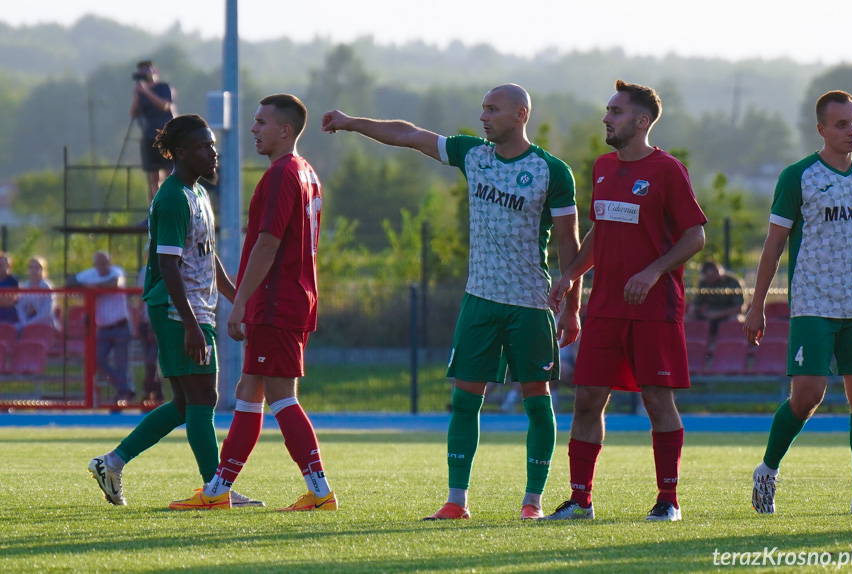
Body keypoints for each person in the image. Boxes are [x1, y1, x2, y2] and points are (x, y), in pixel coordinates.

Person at [321, 83, 580, 520]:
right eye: (482, 108)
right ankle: (456, 501)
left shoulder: (553, 171)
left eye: (493, 109)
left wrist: (572, 306)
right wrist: (352, 123)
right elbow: (408, 134)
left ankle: (532, 503)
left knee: (538, 400)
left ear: (520, 114)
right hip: (479, 299)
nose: (483, 116)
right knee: (464, 400)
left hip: (531, 303)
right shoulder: (472, 154)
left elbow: (571, 246)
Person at [540, 80, 706, 523]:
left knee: (656, 400)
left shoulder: (668, 170)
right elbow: (602, 229)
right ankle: (580, 501)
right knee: (588, 398)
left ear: (641, 121)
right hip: (606, 306)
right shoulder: (601, 166)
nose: (606, 118)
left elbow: (696, 236)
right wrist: (571, 273)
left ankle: (668, 501)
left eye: (615, 112)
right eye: (607, 110)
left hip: (654, 307)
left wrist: (653, 272)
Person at [87, 114, 240, 509]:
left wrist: (237, 297)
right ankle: (215, 489)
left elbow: (206, 259)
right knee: (204, 395)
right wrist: (190, 324)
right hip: (178, 311)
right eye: (205, 146)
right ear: (183, 153)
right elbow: (168, 265)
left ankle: (112, 463)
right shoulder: (172, 196)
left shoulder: (199, 193)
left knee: (187, 404)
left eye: (212, 145)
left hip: (193, 309)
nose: (213, 152)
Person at [201, 94, 335, 512]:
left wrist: (240, 302)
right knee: (249, 391)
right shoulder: (307, 172)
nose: (253, 129)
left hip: (277, 302)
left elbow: (268, 243)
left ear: (285, 130)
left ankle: (320, 492)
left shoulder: (281, 174)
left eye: (261, 122)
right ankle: (217, 490)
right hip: (291, 300)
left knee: (280, 396)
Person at [745, 90, 852, 515]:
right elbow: (774, 245)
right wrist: (756, 304)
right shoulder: (798, 177)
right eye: (841, 124)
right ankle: (766, 471)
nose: (851, 131)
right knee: (808, 395)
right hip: (813, 304)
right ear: (821, 130)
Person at [72, 251, 134, 403]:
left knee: (122, 364)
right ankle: (125, 388)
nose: (104, 266)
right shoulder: (90, 274)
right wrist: (93, 288)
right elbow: (70, 282)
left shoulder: (117, 271)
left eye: (106, 263)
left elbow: (114, 283)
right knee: (97, 360)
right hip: (103, 328)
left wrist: (93, 289)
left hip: (120, 326)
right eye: (100, 264)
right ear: (95, 265)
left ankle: (122, 394)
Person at [130, 60, 176, 203]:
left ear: (155, 71)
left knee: (169, 174)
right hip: (149, 136)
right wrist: (138, 95)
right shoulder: (141, 91)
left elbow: (164, 105)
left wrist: (146, 91)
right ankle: (154, 209)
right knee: (153, 177)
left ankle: (170, 204)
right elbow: (133, 114)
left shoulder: (163, 87)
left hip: (166, 135)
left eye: (147, 70)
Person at [685, 260, 745, 336]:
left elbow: (739, 308)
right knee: (687, 318)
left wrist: (717, 314)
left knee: (735, 318)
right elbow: (696, 303)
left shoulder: (732, 282)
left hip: (727, 315)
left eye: (711, 277)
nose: (710, 280)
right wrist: (696, 310)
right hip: (708, 315)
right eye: (707, 277)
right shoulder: (704, 283)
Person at [138, 261, 162, 406]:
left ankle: (148, 393)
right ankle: (156, 395)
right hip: (147, 323)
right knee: (150, 362)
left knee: (151, 361)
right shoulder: (146, 270)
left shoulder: (167, 268)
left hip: (159, 324)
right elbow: (142, 297)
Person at [16, 256, 58, 331]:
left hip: (45, 324)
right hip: (25, 323)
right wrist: (25, 322)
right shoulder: (25, 286)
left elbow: (46, 311)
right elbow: (20, 307)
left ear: (43, 270)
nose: (34, 270)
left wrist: (30, 323)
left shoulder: (47, 286)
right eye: (31, 267)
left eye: (37, 267)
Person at [0, 252, 19, 324]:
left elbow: (10, 301)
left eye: (3, 264)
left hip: (10, 317)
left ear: (9, 265)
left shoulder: (13, 280)